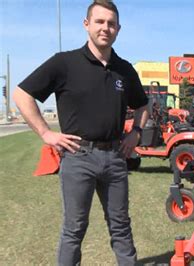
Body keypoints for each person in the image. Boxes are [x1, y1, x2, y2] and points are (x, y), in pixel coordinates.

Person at [13, 1, 149, 265]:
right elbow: (22, 94)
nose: (105, 28)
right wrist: (45, 133)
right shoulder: (64, 63)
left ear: (118, 29)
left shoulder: (124, 69)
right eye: (99, 22)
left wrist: (137, 132)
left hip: (115, 157)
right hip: (78, 158)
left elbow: (143, 104)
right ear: (87, 24)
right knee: (74, 229)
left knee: (121, 227)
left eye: (111, 23)